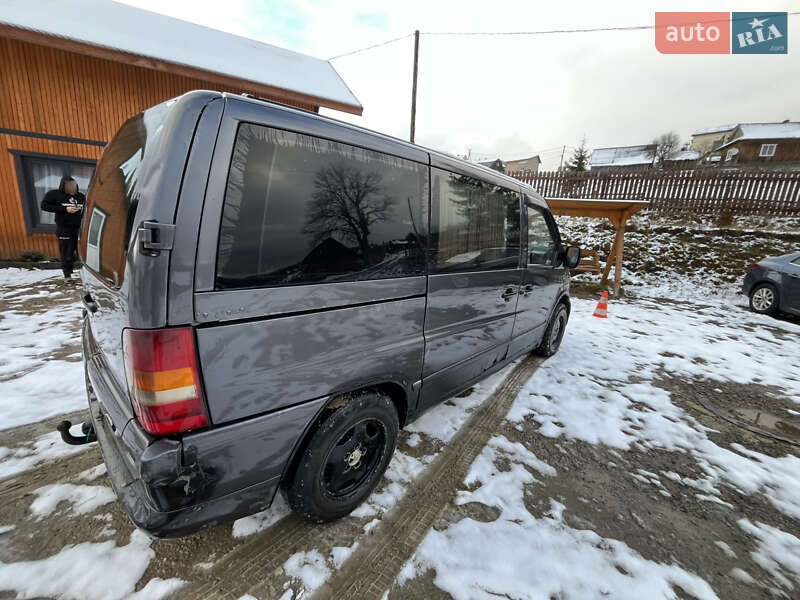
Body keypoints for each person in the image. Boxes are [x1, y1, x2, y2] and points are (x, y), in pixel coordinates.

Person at [41, 176, 85, 282]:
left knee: (81, 252)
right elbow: (44, 206)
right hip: (64, 228)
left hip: (80, 229)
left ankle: (83, 273)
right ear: (64, 186)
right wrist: (65, 209)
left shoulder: (81, 196)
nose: (73, 188)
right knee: (67, 253)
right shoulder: (54, 194)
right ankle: (67, 275)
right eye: (70, 186)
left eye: (74, 185)